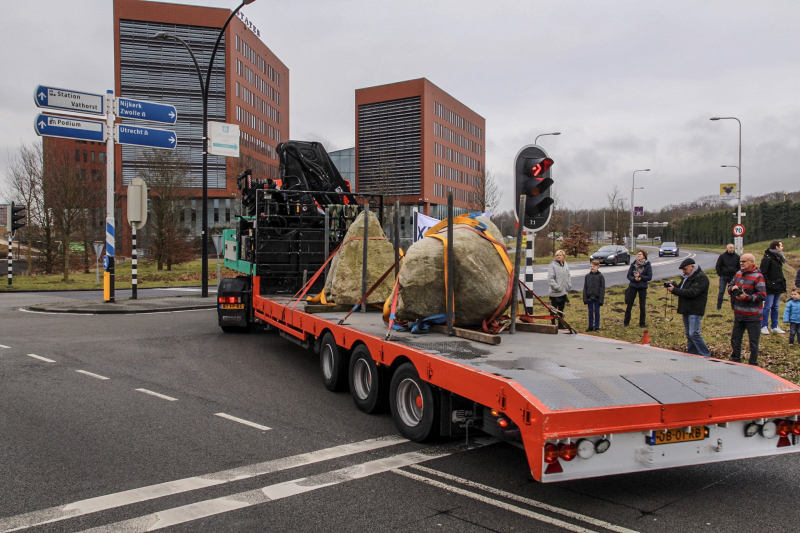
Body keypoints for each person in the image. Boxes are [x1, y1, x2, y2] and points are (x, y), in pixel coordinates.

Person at [728, 253, 767, 365]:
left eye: (744, 261)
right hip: (739, 314)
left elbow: (762, 295)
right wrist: (732, 289)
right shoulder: (738, 273)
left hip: (753, 316)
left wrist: (747, 297)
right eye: (741, 261)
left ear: (752, 262)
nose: (741, 263)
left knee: (753, 342)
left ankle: (753, 363)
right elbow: (729, 286)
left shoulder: (758, 277)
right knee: (735, 339)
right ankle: (736, 359)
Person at [667, 258, 711, 357]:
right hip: (686, 309)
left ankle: (706, 355)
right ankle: (692, 354)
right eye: (683, 270)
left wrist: (675, 290)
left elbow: (692, 292)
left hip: (695, 309)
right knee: (689, 334)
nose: (684, 271)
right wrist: (674, 287)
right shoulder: (686, 277)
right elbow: (682, 290)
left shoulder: (701, 278)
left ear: (692, 266)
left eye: (685, 269)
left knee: (694, 333)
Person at [760, 240, 787, 334]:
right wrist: (769, 284)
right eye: (781, 246)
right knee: (767, 306)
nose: (782, 248)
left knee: (776, 306)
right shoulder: (767, 258)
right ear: (776, 247)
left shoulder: (778, 257)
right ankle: (764, 326)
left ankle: (774, 326)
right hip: (770, 287)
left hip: (778, 286)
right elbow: (763, 273)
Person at [624, 249, 652, 327]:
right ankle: (626, 322)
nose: (638, 256)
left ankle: (642, 323)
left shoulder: (647, 265)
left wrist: (640, 277)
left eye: (640, 254)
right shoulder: (633, 264)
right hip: (633, 286)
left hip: (642, 287)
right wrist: (634, 279)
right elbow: (629, 275)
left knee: (642, 306)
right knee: (629, 304)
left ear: (644, 256)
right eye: (638, 254)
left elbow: (649, 277)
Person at [547, 250, 571, 328]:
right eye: (557, 255)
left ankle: (560, 324)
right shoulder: (552, 265)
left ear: (563, 256)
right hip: (555, 292)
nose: (558, 256)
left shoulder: (565, 265)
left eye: (560, 255)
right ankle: (553, 323)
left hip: (563, 291)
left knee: (561, 309)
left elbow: (568, 275)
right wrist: (557, 287)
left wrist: (568, 285)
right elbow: (550, 278)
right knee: (554, 309)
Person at [715, 243, 740, 310]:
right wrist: (720, 274)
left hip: (733, 277)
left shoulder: (737, 257)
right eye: (730, 248)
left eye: (733, 248)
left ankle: (733, 306)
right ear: (727, 248)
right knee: (721, 291)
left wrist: (736, 275)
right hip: (723, 276)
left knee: (733, 291)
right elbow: (718, 266)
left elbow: (739, 267)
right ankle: (719, 306)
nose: (732, 249)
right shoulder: (722, 256)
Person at [583, 260, 606, 332]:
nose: (592, 268)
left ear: (598, 267)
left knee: (596, 312)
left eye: (594, 266)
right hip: (589, 297)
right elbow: (585, 287)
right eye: (591, 266)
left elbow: (602, 288)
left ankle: (596, 326)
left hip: (597, 297)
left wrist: (601, 299)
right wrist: (585, 298)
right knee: (590, 312)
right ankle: (590, 326)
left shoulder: (600, 276)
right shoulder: (587, 276)